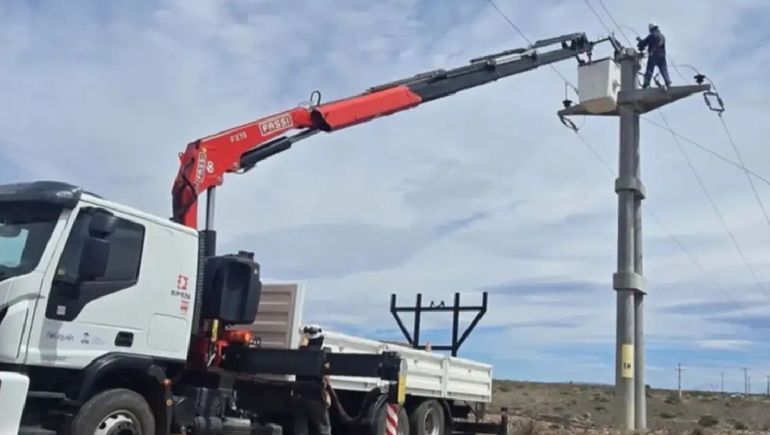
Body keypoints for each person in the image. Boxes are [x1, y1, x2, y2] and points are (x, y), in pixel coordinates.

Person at [292, 325, 332, 435]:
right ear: (320, 340)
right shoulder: (324, 355)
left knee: (301, 428)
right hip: (315, 396)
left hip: (299, 395)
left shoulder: (300, 352)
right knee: (324, 428)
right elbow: (327, 377)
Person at [636, 22, 671, 89]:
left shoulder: (651, 35)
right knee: (663, 69)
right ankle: (668, 82)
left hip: (653, 55)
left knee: (649, 69)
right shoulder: (662, 36)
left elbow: (644, 43)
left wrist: (640, 44)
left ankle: (646, 84)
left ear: (651, 29)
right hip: (662, 56)